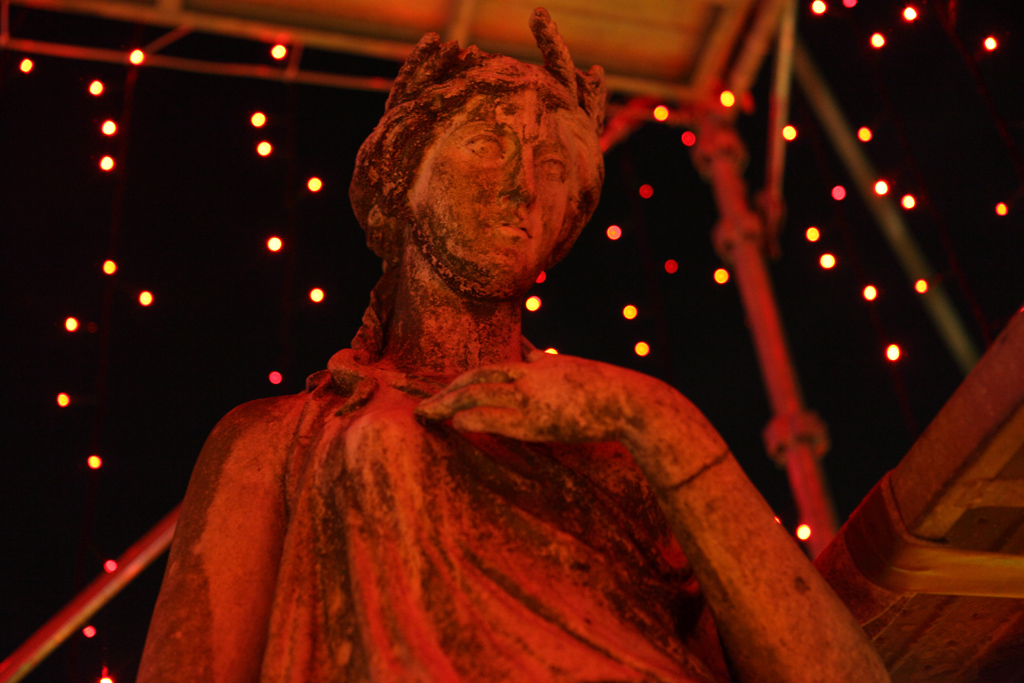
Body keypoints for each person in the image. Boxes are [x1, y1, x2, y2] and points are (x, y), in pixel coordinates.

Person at [138, 9, 890, 683]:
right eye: (484, 144)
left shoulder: (618, 438)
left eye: (554, 166)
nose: (522, 187)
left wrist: (657, 419)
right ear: (402, 182)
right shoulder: (273, 441)